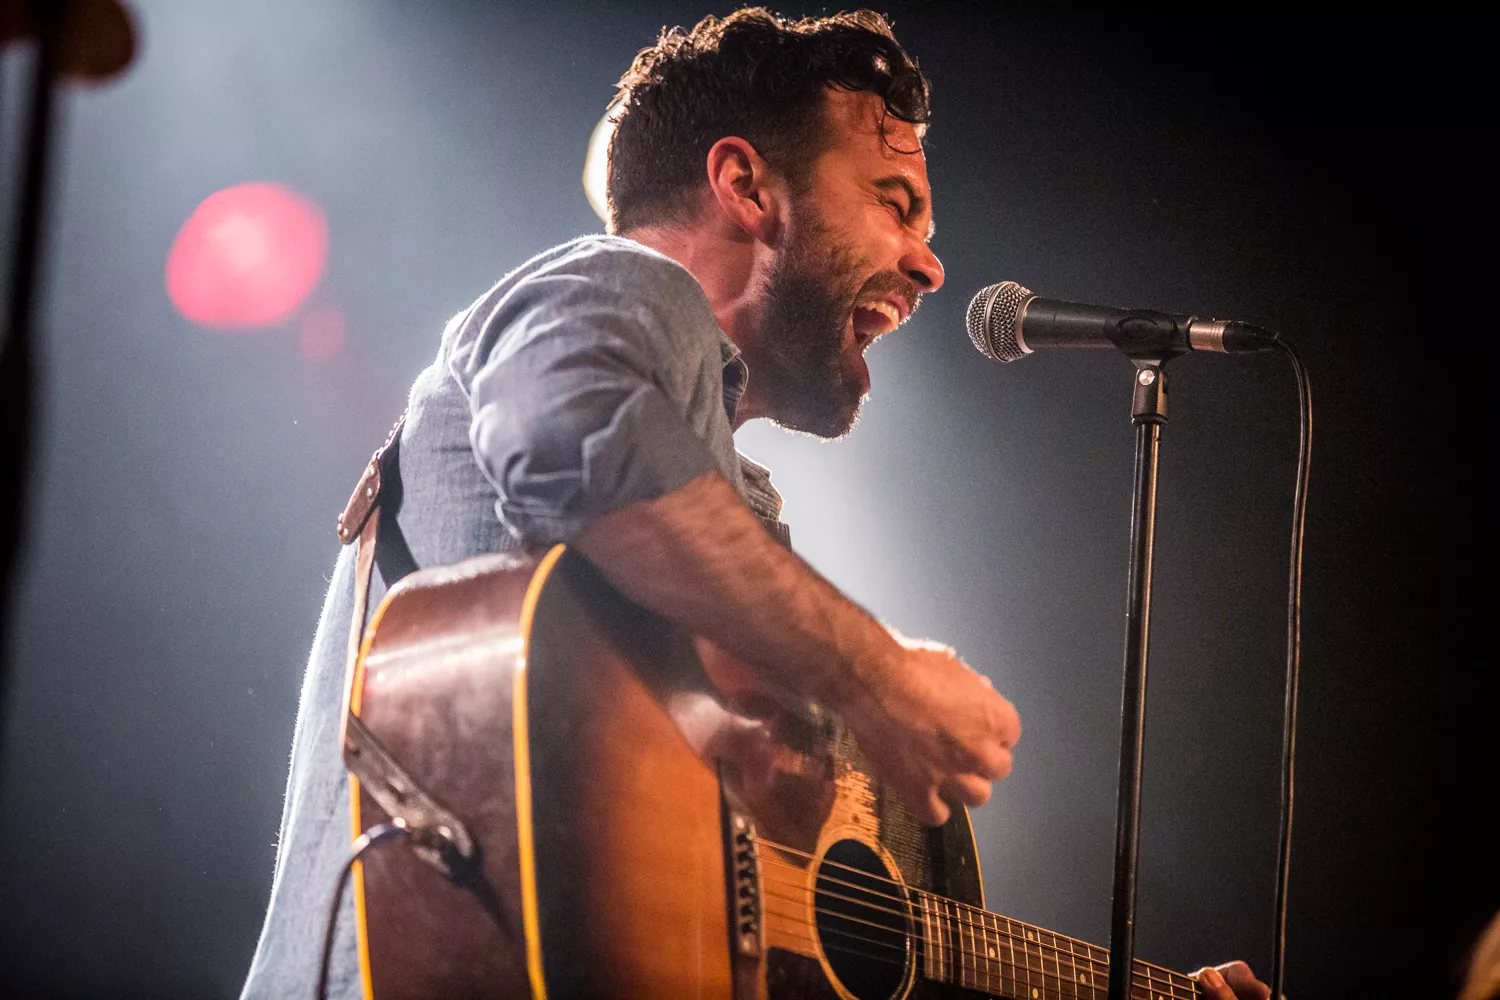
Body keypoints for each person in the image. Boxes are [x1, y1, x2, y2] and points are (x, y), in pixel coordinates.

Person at [240, 9, 1269, 999]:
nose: (930, 260)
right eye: (892, 201)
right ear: (743, 184)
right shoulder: (620, 283)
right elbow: (575, 441)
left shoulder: (734, 519)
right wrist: (878, 680)